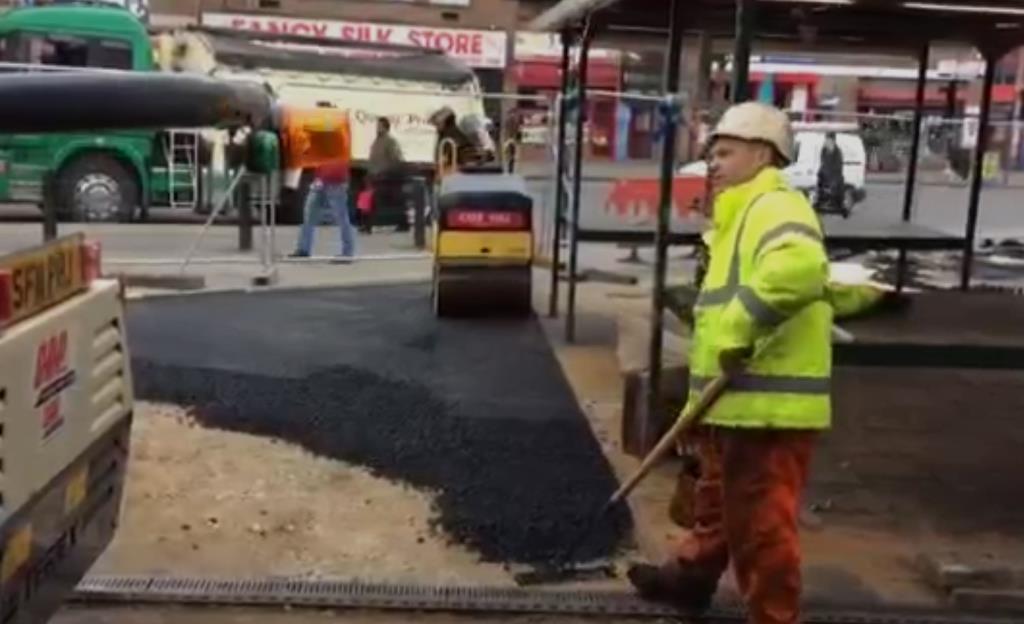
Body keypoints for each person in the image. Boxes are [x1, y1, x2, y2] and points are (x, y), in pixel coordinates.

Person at [626, 101, 832, 624]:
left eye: (725, 152)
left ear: (762, 154)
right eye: (711, 154)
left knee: (760, 525)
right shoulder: (741, 211)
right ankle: (688, 581)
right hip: (732, 399)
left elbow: (800, 269)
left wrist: (741, 325)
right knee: (717, 502)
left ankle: (773, 615)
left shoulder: (774, 205)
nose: (712, 164)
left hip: (767, 405)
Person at [290, 155, 355, 261]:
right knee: (309, 214)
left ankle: (347, 251)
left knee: (341, 217)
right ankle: (303, 249)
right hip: (321, 180)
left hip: (335, 180)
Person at [817, 131, 845, 214]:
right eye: (826, 139)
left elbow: (838, 167)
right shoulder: (824, 150)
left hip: (834, 178)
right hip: (825, 177)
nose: (825, 141)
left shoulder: (837, 152)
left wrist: (832, 182)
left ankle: (833, 203)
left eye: (827, 139)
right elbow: (822, 162)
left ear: (833, 141)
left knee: (834, 189)